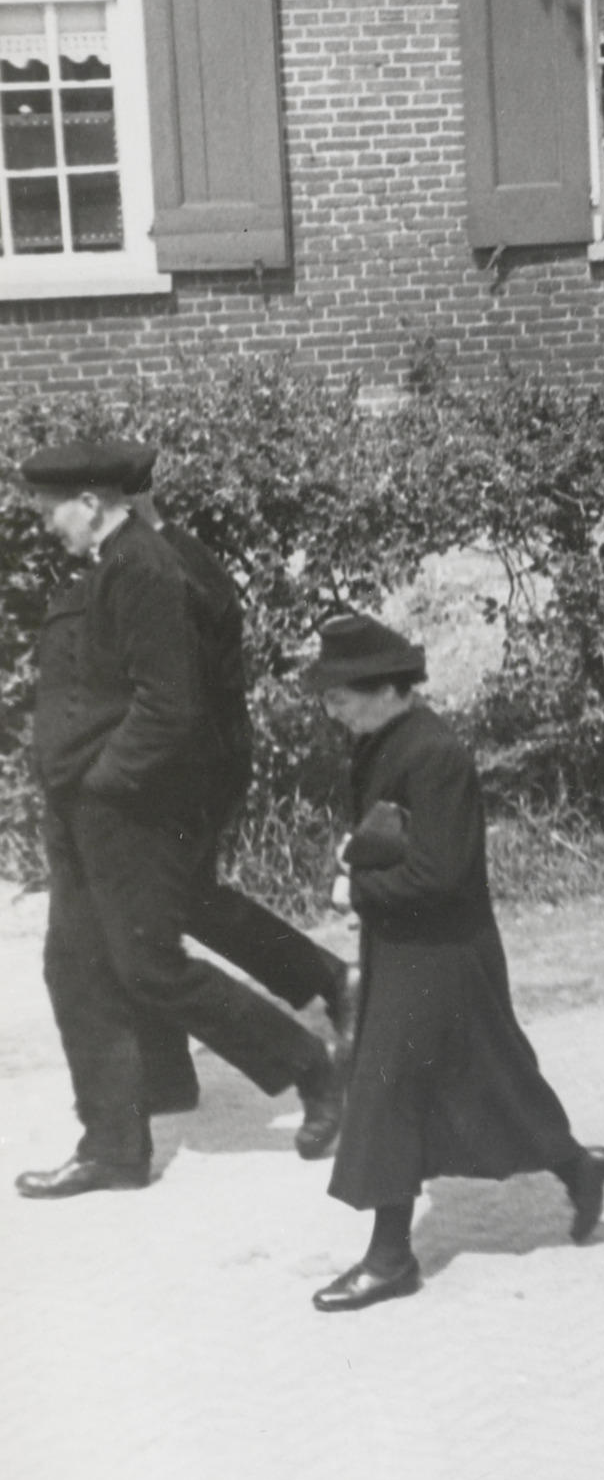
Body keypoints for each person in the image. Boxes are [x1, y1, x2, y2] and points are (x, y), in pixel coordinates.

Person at [16, 441, 343, 1201]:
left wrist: (105, 784)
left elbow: (169, 706)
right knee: (75, 967)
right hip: (80, 807)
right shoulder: (114, 563)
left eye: (54, 508)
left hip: (120, 808)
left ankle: (312, 1067)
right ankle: (114, 1147)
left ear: (92, 503)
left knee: (148, 966)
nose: (48, 522)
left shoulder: (144, 568)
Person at [305, 614, 604, 1311]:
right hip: (410, 947)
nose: (332, 710)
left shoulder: (434, 755)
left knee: (388, 1087)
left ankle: (389, 1259)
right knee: (489, 1078)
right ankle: (578, 1169)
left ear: (387, 688)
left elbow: (442, 876)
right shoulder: (386, 742)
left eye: (340, 696)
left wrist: (358, 890)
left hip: (443, 953)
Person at [114, 449, 358, 1121]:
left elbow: (174, 697)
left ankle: (314, 1022)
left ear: (127, 503)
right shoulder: (170, 556)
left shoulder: (172, 571)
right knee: (176, 904)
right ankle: (330, 984)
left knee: (147, 914)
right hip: (192, 765)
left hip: (191, 771)